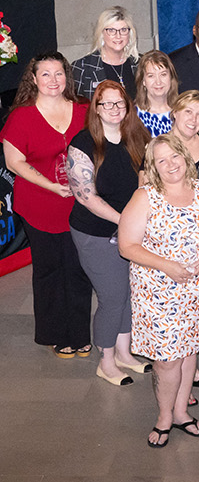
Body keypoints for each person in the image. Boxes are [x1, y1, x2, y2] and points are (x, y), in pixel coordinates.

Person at [118, 135, 199, 448]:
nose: (170, 165)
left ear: (186, 157)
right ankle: (164, 416)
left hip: (197, 290)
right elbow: (127, 246)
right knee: (167, 360)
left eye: (174, 157)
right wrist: (165, 265)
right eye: (161, 160)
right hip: (158, 292)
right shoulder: (145, 197)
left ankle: (182, 412)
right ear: (154, 167)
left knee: (189, 350)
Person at [1, 52, 90, 356]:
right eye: (46, 74)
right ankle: (54, 332)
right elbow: (14, 163)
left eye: (59, 74)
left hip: (79, 205)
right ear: (34, 79)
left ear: (67, 77)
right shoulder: (22, 116)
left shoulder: (84, 111)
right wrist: (51, 185)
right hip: (39, 203)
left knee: (78, 268)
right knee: (49, 269)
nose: (53, 81)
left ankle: (79, 332)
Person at [65, 80, 151, 385]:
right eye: (107, 104)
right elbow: (86, 196)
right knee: (112, 296)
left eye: (120, 103)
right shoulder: (83, 143)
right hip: (96, 232)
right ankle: (106, 360)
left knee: (129, 293)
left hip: (130, 229)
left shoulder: (137, 136)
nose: (114, 110)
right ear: (96, 109)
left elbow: (147, 178)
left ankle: (125, 354)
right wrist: (126, 220)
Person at [74, 6, 141, 98]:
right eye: (111, 30)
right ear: (101, 33)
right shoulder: (82, 67)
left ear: (130, 33)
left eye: (123, 30)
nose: (118, 36)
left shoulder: (141, 64)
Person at [134, 49, 179, 136]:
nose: (158, 82)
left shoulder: (183, 112)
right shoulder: (133, 116)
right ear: (143, 81)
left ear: (171, 77)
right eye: (151, 76)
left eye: (163, 74)